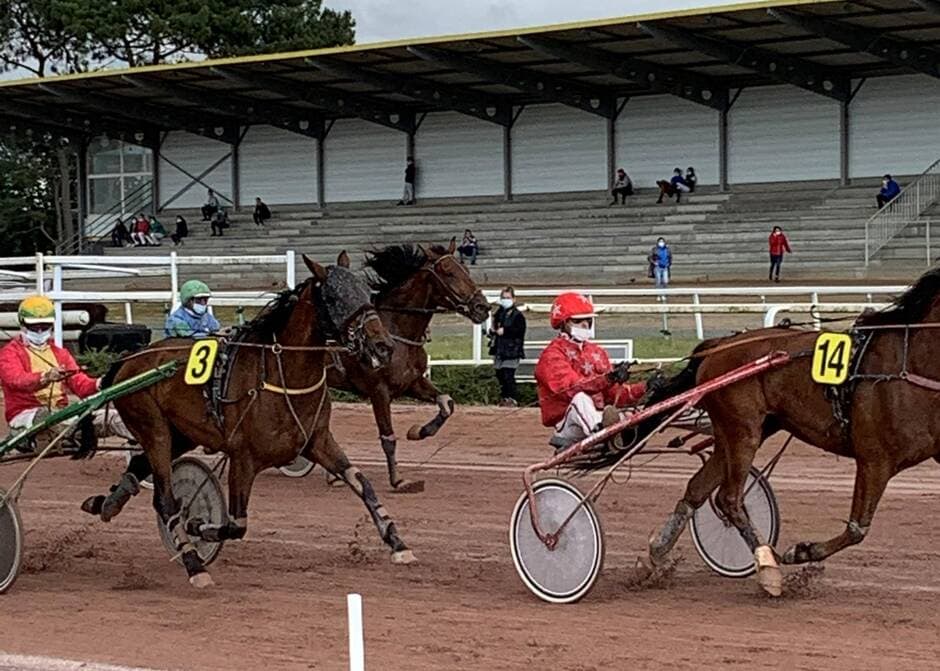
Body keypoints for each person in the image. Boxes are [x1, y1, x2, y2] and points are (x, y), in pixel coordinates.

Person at [0, 296, 135, 450]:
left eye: (44, 326)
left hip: (63, 414)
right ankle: (70, 433)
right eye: (34, 326)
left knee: (116, 417)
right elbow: (16, 381)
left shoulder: (61, 353)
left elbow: (81, 384)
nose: (39, 330)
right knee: (45, 415)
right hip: (25, 415)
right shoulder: (9, 353)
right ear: (22, 324)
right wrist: (45, 377)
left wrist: (101, 382)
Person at [534, 292, 647, 451]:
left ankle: (608, 431)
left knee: (632, 415)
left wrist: (645, 387)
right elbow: (571, 388)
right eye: (578, 321)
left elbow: (615, 395)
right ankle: (603, 434)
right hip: (569, 426)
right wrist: (608, 378)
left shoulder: (598, 352)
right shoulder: (552, 355)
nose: (585, 325)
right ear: (564, 323)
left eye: (588, 320)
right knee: (581, 398)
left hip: (599, 416)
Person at [489, 287, 527, 407]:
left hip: (512, 350)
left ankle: (512, 398)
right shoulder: (498, 314)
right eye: (503, 298)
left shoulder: (518, 315)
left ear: (514, 299)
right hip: (499, 349)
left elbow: (520, 331)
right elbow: (494, 329)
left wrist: (506, 331)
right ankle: (504, 398)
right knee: (500, 375)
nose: (505, 300)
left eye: (508, 298)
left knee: (508, 375)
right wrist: (492, 331)